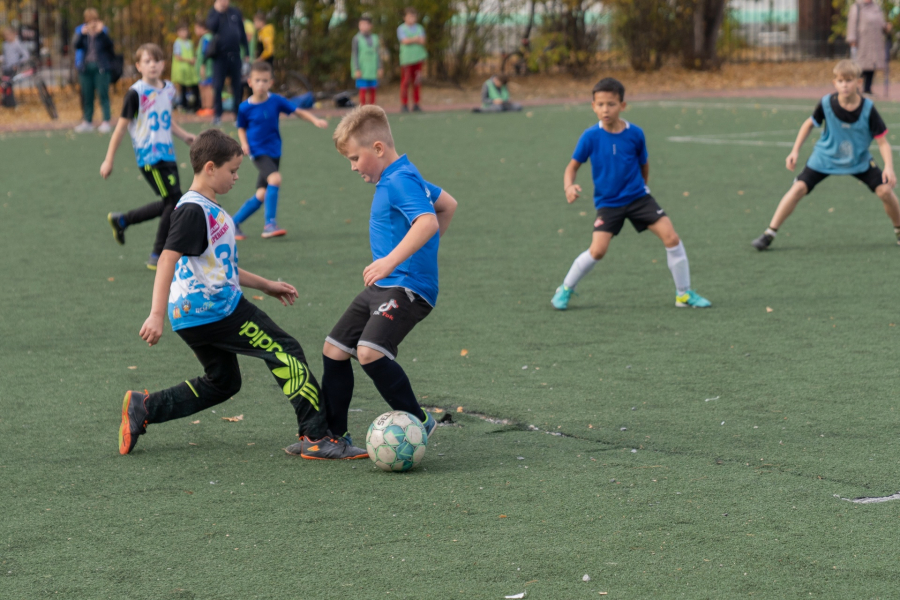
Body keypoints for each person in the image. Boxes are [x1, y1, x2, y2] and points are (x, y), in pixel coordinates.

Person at [119, 129, 366, 460]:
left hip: (196, 314)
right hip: (215, 310)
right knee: (285, 349)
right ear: (210, 168)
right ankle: (317, 436)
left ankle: (144, 407)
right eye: (232, 171)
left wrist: (266, 284)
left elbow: (218, 267)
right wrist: (155, 314)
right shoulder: (192, 210)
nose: (237, 177)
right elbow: (167, 258)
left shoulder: (209, 207)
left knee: (223, 381)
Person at [299, 104, 458, 454]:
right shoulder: (402, 174)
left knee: (369, 352)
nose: (353, 167)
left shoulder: (400, 179)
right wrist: (420, 253)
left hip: (407, 287)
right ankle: (335, 438)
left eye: (355, 158)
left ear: (378, 148)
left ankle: (419, 419)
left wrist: (393, 261)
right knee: (335, 350)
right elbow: (447, 204)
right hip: (384, 286)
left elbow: (428, 222)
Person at [551, 78, 711, 310]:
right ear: (593, 106)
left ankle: (683, 295)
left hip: (638, 198)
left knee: (672, 238)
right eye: (601, 104)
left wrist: (642, 188)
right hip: (608, 203)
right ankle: (565, 288)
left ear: (622, 106)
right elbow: (572, 167)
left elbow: (643, 164)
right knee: (597, 251)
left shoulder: (635, 134)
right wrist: (569, 186)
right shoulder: (590, 137)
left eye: (611, 104)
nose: (606, 110)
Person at [752, 60, 900, 250]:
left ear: (859, 83)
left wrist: (888, 167)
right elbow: (808, 124)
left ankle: (898, 230)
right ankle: (769, 233)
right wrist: (794, 150)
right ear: (834, 83)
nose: (844, 84)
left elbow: (882, 141)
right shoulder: (826, 103)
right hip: (825, 158)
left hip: (858, 160)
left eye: (849, 80)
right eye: (840, 80)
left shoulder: (868, 109)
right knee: (798, 189)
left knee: (886, 191)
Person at [100, 44, 196, 270]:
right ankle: (157, 253)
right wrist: (109, 159)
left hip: (168, 153)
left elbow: (166, 118)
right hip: (149, 157)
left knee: (169, 202)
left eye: (156, 60)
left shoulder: (169, 89)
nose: (152, 65)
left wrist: (184, 136)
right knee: (174, 202)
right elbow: (121, 128)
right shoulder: (136, 93)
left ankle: (123, 220)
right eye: (147, 61)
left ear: (163, 64)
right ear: (138, 66)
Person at [232, 61, 327, 240]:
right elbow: (241, 127)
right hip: (257, 151)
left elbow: (297, 111)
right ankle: (270, 225)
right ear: (250, 82)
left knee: (261, 194)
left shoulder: (276, 101)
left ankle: (232, 223)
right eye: (257, 80)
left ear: (271, 83)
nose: (261, 84)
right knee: (275, 179)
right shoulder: (244, 107)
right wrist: (244, 143)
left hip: (275, 151)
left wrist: (315, 120)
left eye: (265, 80)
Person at [206, 0, 249, 124]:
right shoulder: (213, 13)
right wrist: (218, 12)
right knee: (218, 86)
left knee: (237, 86)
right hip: (220, 57)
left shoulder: (235, 12)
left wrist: (246, 52)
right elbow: (211, 27)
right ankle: (218, 115)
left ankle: (237, 115)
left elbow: (242, 32)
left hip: (235, 56)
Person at [73, 8, 115, 133]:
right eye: (89, 20)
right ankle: (87, 121)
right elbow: (76, 45)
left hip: (101, 67)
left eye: (94, 20)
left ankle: (106, 120)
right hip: (86, 68)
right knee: (87, 95)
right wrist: (81, 34)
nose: (92, 23)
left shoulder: (103, 32)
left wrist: (101, 33)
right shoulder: (82, 32)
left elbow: (110, 47)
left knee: (103, 94)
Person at [847, 0, 891, 95]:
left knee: (871, 66)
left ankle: (867, 89)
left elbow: (881, 23)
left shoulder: (876, 8)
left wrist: (886, 27)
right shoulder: (856, 7)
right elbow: (852, 25)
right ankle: (856, 89)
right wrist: (852, 40)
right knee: (860, 67)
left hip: (875, 43)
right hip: (862, 42)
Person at [397, 7, 426, 113]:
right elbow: (404, 41)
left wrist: (412, 39)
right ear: (405, 18)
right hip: (406, 60)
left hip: (418, 59)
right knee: (405, 82)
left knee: (417, 82)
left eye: (413, 17)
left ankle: (416, 103)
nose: (411, 19)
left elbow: (422, 41)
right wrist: (416, 39)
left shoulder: (420, 28)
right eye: (409, 17)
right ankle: (404, 104)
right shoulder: (401, 28)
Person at [352, 15, 382, 106]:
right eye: (361, 24)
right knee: (363, 89)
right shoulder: (356, 39)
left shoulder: (375, 38)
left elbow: (379, 54)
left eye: (366, 24)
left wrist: (380, 67)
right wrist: (357, 68)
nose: (364, 26)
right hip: (362, 69)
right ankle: (363, 109)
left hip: (372, 69)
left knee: (373, 89)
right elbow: (355, 54)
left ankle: (373, 110)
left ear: (370, 26)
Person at [171, 23, 199, 112]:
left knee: (194, 87)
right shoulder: (177, 43)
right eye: (181, 31)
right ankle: (184, 106)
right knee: (183, 88)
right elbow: (177, 56)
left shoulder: (190, 43)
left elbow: (192, 54)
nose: (184, 33)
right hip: (182, 70)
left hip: (190, 70)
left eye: (185, 31)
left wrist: (194, 60)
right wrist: (189, 60)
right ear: (178, 33)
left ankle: (195, 106)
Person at [1, 26, 30, 108]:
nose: (7, 37)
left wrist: (18, 64)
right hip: (5, 68)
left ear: (13, 34)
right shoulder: (5, 44)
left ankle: (11, 103)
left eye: (8, 35)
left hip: (13, 68)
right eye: (5, 36)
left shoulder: (17, 44)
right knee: (4, 85)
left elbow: (26, 56)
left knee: (9, 84)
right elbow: (5, 56)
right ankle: (6, 102)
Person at [194, 20, 215, 116]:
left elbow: (206, 53)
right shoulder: (205, 38)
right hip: (205, 67)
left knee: (207, 87)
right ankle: (205, 107)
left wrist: (202, 66)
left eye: (196, 28)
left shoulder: (206, 38)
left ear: (201, 28)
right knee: (203, 86)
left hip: (207, 68)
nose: (195, 31)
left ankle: (209, 108)